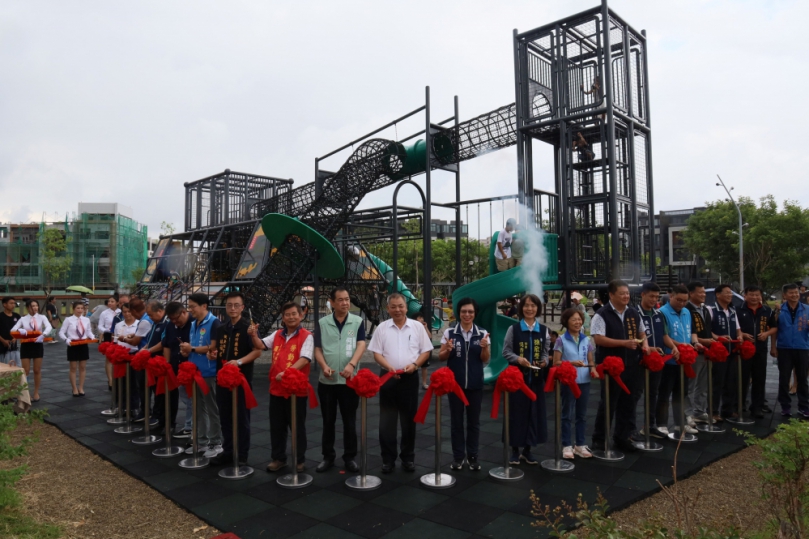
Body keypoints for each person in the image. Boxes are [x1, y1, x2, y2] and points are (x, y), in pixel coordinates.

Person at [368, 293, 433, 473]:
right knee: (387, 421)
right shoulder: (381, 328)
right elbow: (376, 353)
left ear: (406, 308)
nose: (398, 310)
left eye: (401, 306)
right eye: (394, 306)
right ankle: (388, 459)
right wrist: (388, 367)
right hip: (388, 377)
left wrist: (415, 365)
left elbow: (426, 351)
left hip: (410, 378)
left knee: (408, 421)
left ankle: (408, 457)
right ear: (388, 309)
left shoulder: (417, 327)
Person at [250, 301, 314, 473]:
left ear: (301, 316)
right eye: (287, 315)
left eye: (294, 314)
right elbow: (261, 345)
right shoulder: (278, 334)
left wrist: (287, 372)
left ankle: (299, 460)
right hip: (276, 388)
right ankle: (278, 458)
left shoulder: (307, 335)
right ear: (283, 318)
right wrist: (254, 335)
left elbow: (305, 358)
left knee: (297, 426)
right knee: (277, 426)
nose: (291, 317)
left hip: (296, 389)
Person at [590, 280, 650, 453]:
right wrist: (623, 343)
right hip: (611, 367)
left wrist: (644, 344)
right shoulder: (601, 314)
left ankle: (622, 437)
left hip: (632, 364)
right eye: (622, 293)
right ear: (611, 295)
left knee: (628, 403)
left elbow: (641, 332)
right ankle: (599, 439)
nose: (626, 296)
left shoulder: (633, 312)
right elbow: (598, 339)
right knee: (608, 402)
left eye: (627, 293)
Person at [313, 287, 366, 473]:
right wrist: (323, 366)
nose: (345, 303)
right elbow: (317, 348)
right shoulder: (322, 322)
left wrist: (351, 365)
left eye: (347, 299)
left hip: (350, 381)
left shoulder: (358, 321)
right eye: (341, 300)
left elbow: (361, 344)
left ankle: (349, 457)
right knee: (328, 421)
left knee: (349, 421)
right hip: (327, 381)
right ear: (332, 302)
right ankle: (328, 457)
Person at [207, 292, 261, 466]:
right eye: (229, 305)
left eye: (236, 305)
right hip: (222, 379)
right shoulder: (221, 328)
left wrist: (238, 362)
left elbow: (257, 351)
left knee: (242, 418)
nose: (232, 308)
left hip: (241, 380)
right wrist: (212, 354)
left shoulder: (248, 328)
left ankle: (242, 454)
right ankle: (228, 450)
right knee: (225, 416)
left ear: (242, 308)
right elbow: (216, 351)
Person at [439, 297, 490, 470]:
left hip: (475, 384)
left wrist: (485, 347)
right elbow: (441, 356)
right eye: (463, 311)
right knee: (456, 422)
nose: (467, 314)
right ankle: (458, 457)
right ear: (458, 313)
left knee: (473, 422)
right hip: (455, 385)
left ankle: (473, 456)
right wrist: (447, 349)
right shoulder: (450, 333)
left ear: (475, 314)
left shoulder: (482, 334)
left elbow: (485, 359)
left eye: (470, 312)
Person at [502, 293, 549, 465]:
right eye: (526, 305)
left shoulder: (544, 330)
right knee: (516, 414)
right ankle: (514, 450)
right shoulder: (513, 329)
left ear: (538, 308)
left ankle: (528, 450)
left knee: (534, 414)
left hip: (536, 380)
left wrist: (544, 362)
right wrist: (518, 359)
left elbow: (545, 353)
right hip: (517, 382)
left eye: (533, 305)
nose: (530, 309)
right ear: (521, 308)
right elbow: (506, 352)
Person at [178, 293, 222, 458]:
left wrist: (192, 349)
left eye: (193, 306)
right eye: (189, 307)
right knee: (198, 408)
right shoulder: (193, 323)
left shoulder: (214, 322)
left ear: (204, 306)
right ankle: (201, 442)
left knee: (212, 408)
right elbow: (194, 345)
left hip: (208, 372)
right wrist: (186, 349)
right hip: (194, 371)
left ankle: (216, 442)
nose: (190, 310)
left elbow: (213, 347)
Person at [553, 307, 596, 459]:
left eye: (579, 319)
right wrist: (571, 363)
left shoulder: (586, 339)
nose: (577, 322)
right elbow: (556, 363)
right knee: (567, 414)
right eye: (574, 320)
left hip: (584, 380)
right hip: (568, 381)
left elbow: (590, 360)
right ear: (566, 322)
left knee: (582, 415)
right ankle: (566, 445)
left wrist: (593, 369)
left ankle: (580, 444)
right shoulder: (561, 340)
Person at [637, 282, 676, 438]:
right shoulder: (634, 313)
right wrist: (645, 349)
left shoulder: (659, 314)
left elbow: (664, 336)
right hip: (639, 361)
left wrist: (674, 347)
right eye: (651, 296)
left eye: (656, 297)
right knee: (635, 394)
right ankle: (630, 428)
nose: (654, 299)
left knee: (653, 393)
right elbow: (632, 337)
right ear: (643, 295)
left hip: (657, 361)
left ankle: (650, 425)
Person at [655, 286, 692, 436]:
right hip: (669, 359)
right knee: (664, 393)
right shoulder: (662, 312)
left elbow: (688, 332)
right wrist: (680, 346)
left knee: (681, 393)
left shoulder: (687, 312)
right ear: (671, 297)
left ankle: (680, 423)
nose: (682, 303)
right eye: (678, 300)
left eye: (685, 301)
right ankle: (661, 423)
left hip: (684, 360)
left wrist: (690, 347)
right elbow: (664, 336)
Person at [737, 286, 777, 418]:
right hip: (743, 350)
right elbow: (735, 328)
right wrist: (742, 334)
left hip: (760, 349)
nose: (754, 297)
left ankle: (757, 407)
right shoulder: (738, 309)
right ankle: (740, 405)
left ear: (761, 296)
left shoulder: (767, 310)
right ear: (745, 296)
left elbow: (775, 327)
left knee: (759, 378)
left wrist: (766, 333)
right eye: (751, 295)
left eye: (757, 295)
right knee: (742, 378)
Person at [771, 283, 809, 418]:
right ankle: (785, 406)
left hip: (802, 348)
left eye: (796, 292)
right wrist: (773, 347)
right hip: (784, 348)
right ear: (785, 295)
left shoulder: (807, 309)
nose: (795, 295)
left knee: (803, 379)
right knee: (784, 378)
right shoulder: (779, 310)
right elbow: (774, 330)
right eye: (791, 293)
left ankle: (804, 406)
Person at [710, 284, 743, 421]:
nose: (730, 295)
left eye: (731, 293)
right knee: (717, 382)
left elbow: (738, 328)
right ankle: (713, 411)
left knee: (731, 382)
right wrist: (718, 338)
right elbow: (707, 331)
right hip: (718, 353)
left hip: (732, 352)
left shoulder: (733, 310)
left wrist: (740, 336)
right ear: (718, 294)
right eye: (727, 293)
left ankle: (727, 410)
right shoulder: (711, 310)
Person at [161, 301, 192, 437]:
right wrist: (167, 363)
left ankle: (190, 427)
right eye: (171, 319)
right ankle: (172, 423)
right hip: (175, 366)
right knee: (181, 396)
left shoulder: (194, 324)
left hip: (190, 368)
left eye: (176, 318)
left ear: (184, 312)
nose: (175, 322)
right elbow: (167, 344)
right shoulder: (170, 326)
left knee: (192, 398)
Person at [684, 282, 714, 426]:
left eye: (704, 292)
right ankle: (688, 414)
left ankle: (700, 411)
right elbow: (689, 333)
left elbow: (708, 330)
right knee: (691, 384)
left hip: (706, 351)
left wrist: (715, 339)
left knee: (703, 383)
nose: (703, 295)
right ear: (691, 294)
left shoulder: (705, 309)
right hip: (693, 351)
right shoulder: (686, 309)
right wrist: (702, 341)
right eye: (700, 292)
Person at [12, 299, 52, 400]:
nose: (34, 308)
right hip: (26, 345)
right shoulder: (23, 319)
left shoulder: (42, 317)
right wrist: (20, 330)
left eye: (36, 306)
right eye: (32, 306)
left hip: (37, 344)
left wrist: (43, 335)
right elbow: (12, 330)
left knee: (37, 370)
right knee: (25, 370)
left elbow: (49, 327)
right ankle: (26, 392)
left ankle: (36, 392)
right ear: (27, 308)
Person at [57, 301, 92, 397]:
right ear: (73, 309)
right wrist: (66, 339)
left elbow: (88, 331)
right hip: (73, 344)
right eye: (78, 308)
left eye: (82, 308)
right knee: (73, 368)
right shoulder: (68, 320)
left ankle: (81, 387)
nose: (80, 310)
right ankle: (74, 388)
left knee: (82, 367)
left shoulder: (86, 320)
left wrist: (92, 336)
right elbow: (61, 332)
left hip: (83, 344)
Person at [413, 312, 433, 390]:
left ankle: (424, 383)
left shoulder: (423, 327)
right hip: (415, 350)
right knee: (414, 367)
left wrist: (425, 328)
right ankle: (414, 383)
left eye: (422, 318)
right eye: (419, 318)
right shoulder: (412, 327)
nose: (421, 319)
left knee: (424, 367)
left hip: (422, 351)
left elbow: (429, 336)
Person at [0, 297, 21, 368]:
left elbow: (19, 330)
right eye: (11, 303)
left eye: (14, 303)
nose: (13, 305)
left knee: (15, 366)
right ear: (4, 304)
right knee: (3, 367)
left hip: (13, 346)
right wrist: (3, 341)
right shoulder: (1, 316)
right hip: (2, 346)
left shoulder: (17, 316)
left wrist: (15, 338)